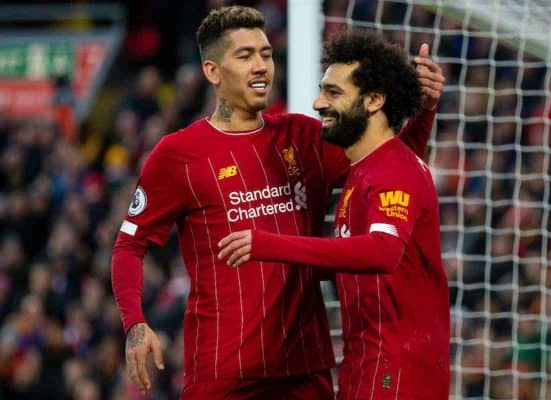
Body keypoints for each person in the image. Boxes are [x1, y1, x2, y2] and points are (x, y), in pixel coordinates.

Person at [111, 6, 445, 400]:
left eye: (266, 54)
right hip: (225, 370)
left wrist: (423, 111)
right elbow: (130, 246)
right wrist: (135, 323)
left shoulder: (305, 138)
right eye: (245, 55)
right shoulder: (178, 156)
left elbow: (390, 168)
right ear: (213, 72)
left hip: (305, 368)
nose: (260, 66)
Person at [218, 30, 450, 399]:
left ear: (374, 100)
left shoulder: (393, 169)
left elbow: (382, 251)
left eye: (333, 93)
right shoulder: (368, 169)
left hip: (396, 371)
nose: (318, 103)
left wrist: (268, 244)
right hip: (368, 364)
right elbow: (350, 257)